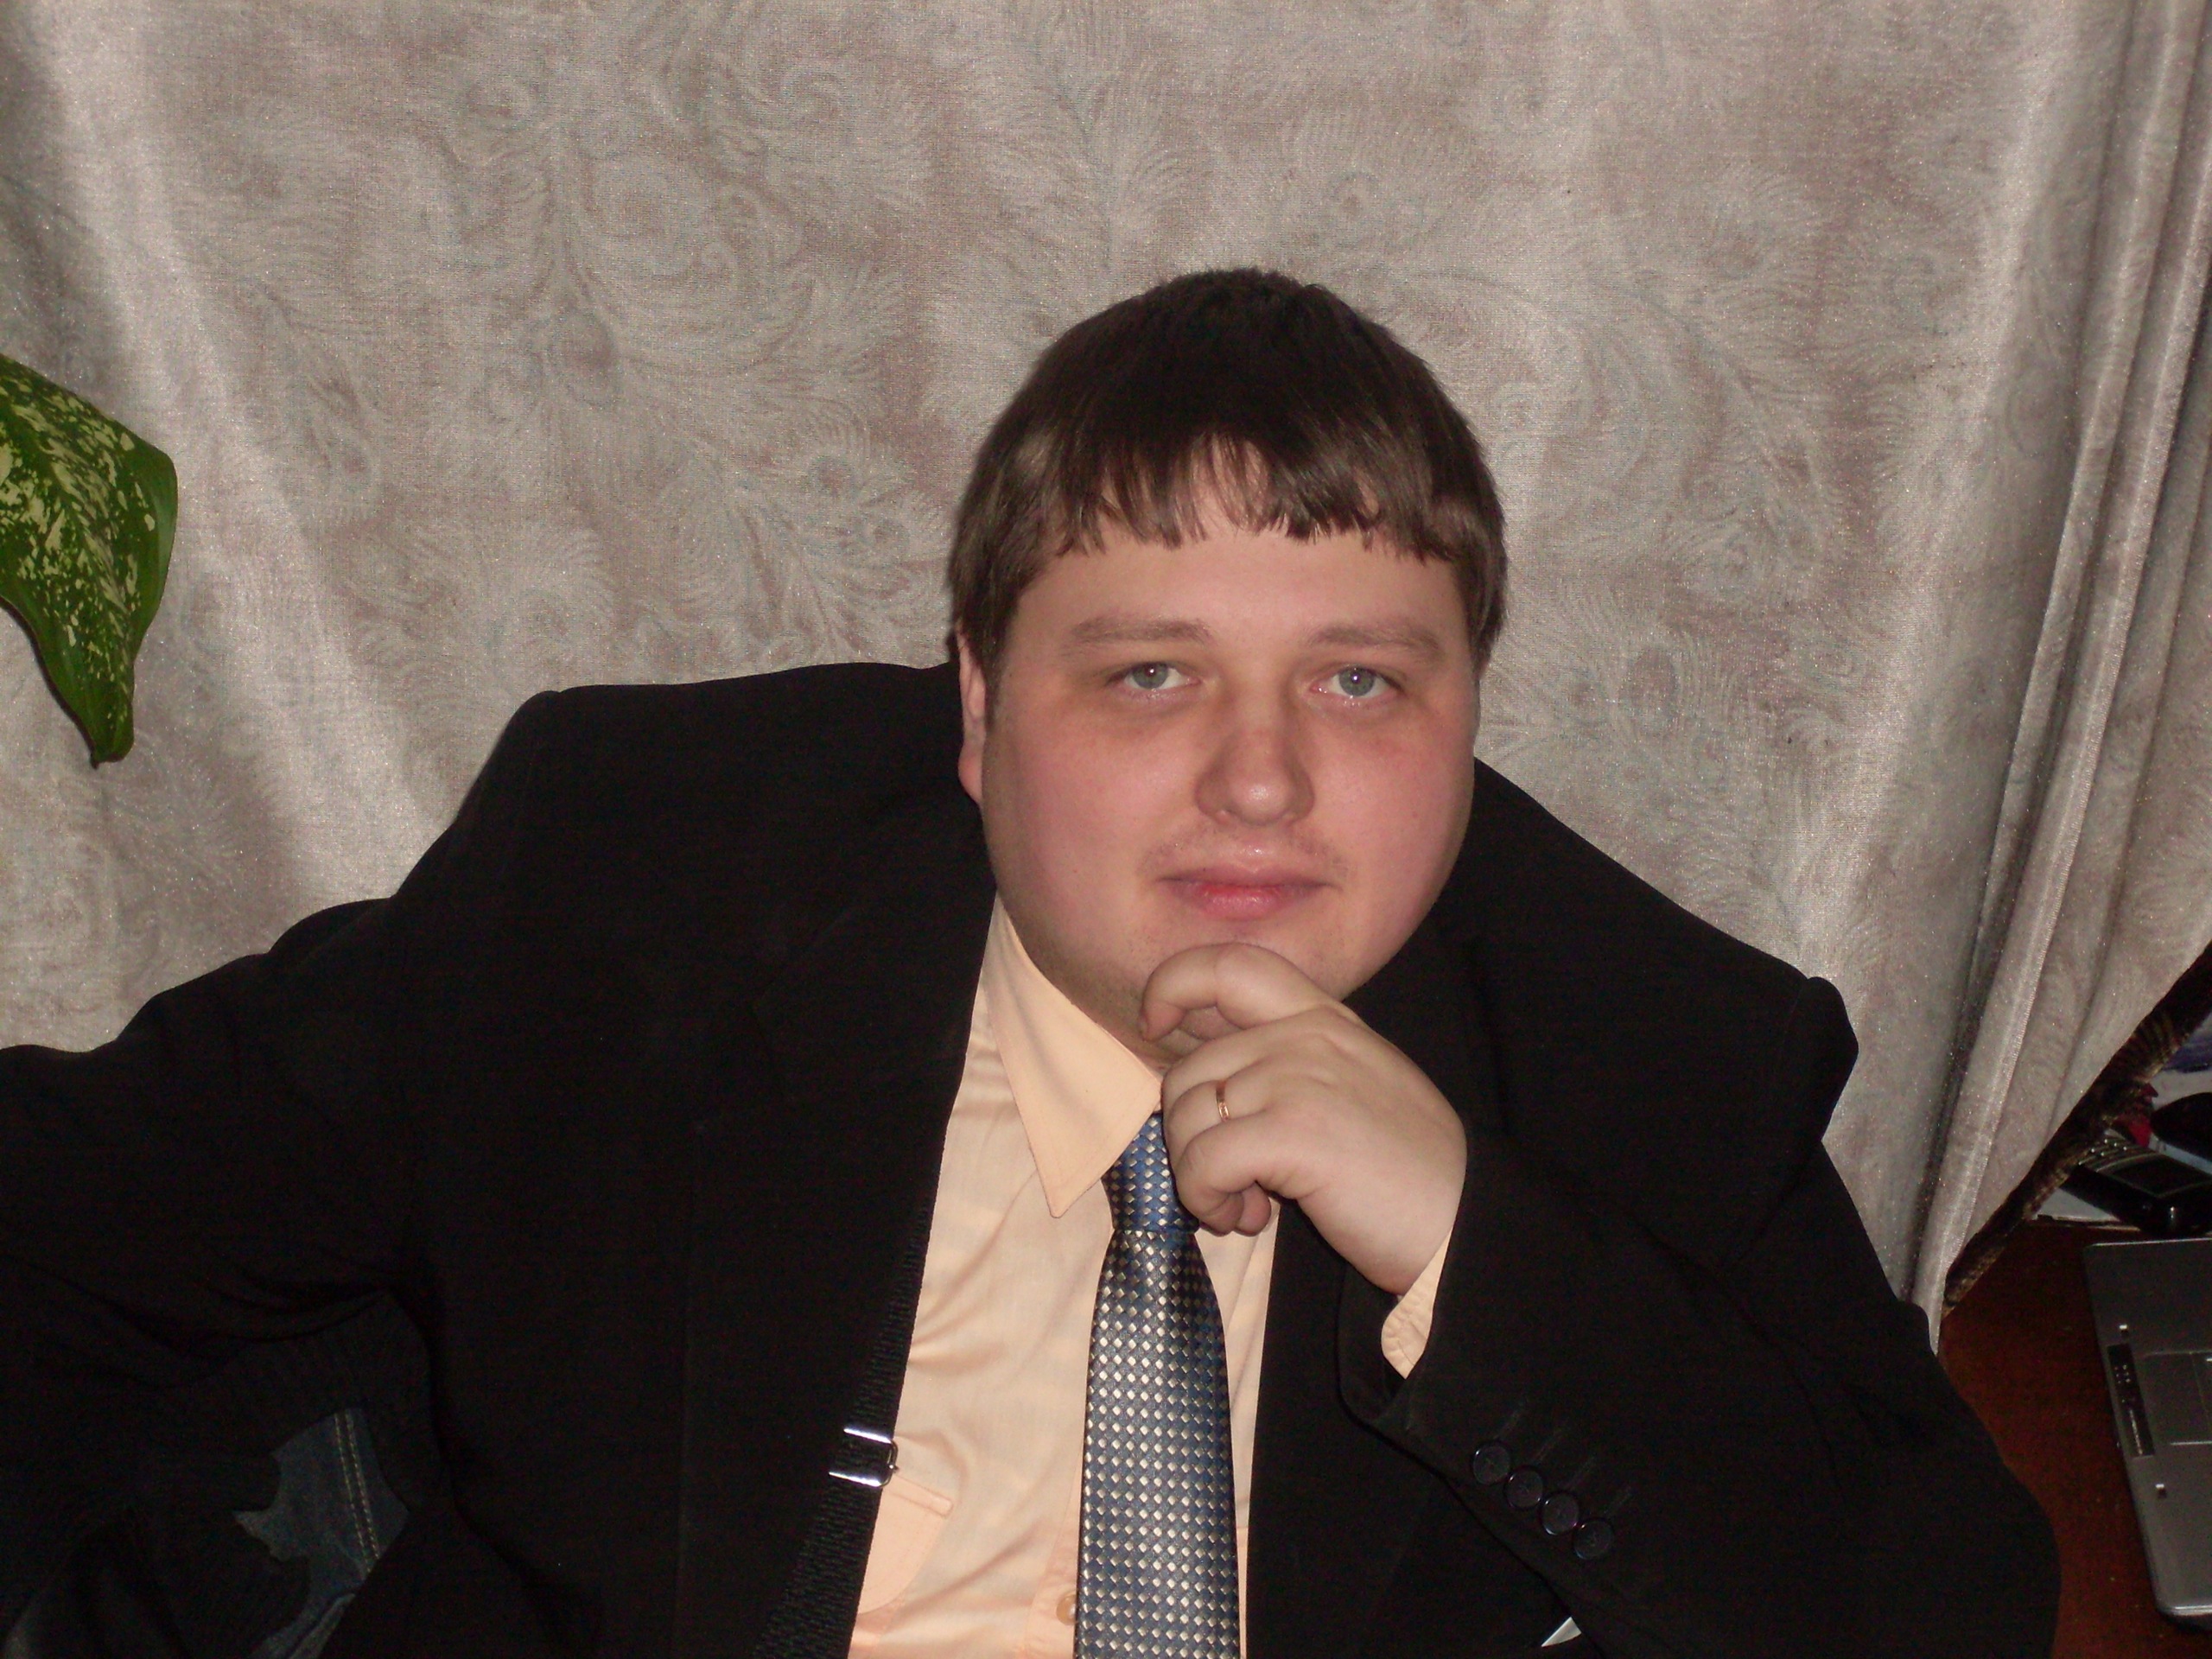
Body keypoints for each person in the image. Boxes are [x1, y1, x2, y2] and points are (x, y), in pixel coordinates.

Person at [1, 270, 2055, 1658]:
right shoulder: (638, 887)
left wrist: (1467, 1243)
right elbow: (72, 1224)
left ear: (1464, 717)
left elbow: (1947, 1608)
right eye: (1149, 673)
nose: (1259, 781)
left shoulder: (1629, 1053)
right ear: (978, 710)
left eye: (1357, 680)